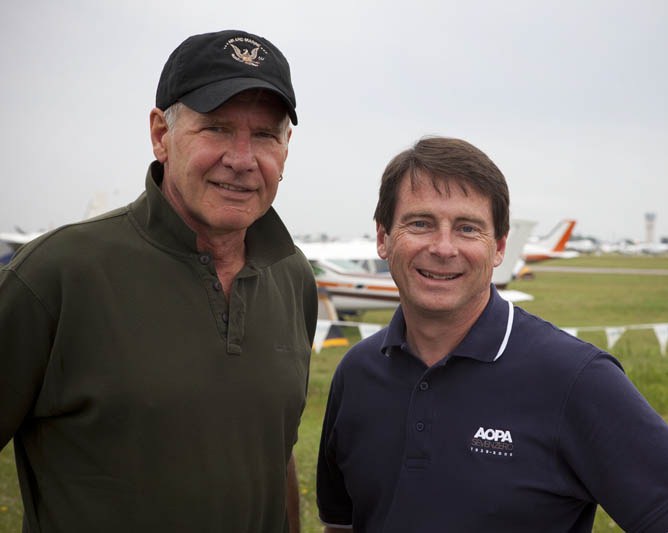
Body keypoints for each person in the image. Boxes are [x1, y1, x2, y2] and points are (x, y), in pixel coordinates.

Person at [0, 30, 317, 533]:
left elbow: (274, 454)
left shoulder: (293, 277)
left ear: (286, 148)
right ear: (160, 134)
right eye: (216, 128)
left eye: (264, 135)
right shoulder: (55, 275)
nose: (241, 159)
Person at [316, 137, 668, 532]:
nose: (443, 248)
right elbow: (341, 526)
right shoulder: (357, 373)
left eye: (467, 228)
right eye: (420, 223)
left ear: (499, 247)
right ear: (383, 237)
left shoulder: (576, 378)